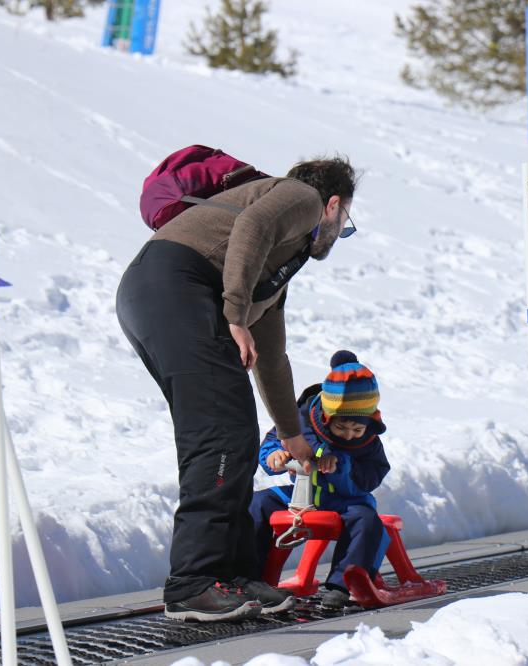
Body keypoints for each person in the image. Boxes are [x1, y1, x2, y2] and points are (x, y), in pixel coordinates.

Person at [116, 157, 359, 621]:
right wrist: (233, 314)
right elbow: (252, 226)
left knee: (234, 432)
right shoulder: (298, 197)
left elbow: (271, 359)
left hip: (160, 292)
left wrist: (293, 436)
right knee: (222, 433)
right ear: (331, 205)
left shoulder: (276, 267)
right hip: (176, 286)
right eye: (345, 220)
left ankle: (229, 574)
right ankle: (193, 583)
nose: (340, 231)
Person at [249, 350, 391, 610]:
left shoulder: (368, 442)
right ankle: (251, 576)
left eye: (357, 429)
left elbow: (373, 474)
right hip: (299, 497)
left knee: (367, 521)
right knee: (257, 504)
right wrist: (275, 456)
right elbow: (274, 440)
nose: (349, 435)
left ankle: (342, 584)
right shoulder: (301, 425)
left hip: (344, 502)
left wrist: (342, 467)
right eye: (341, 428)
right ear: (327, 418)